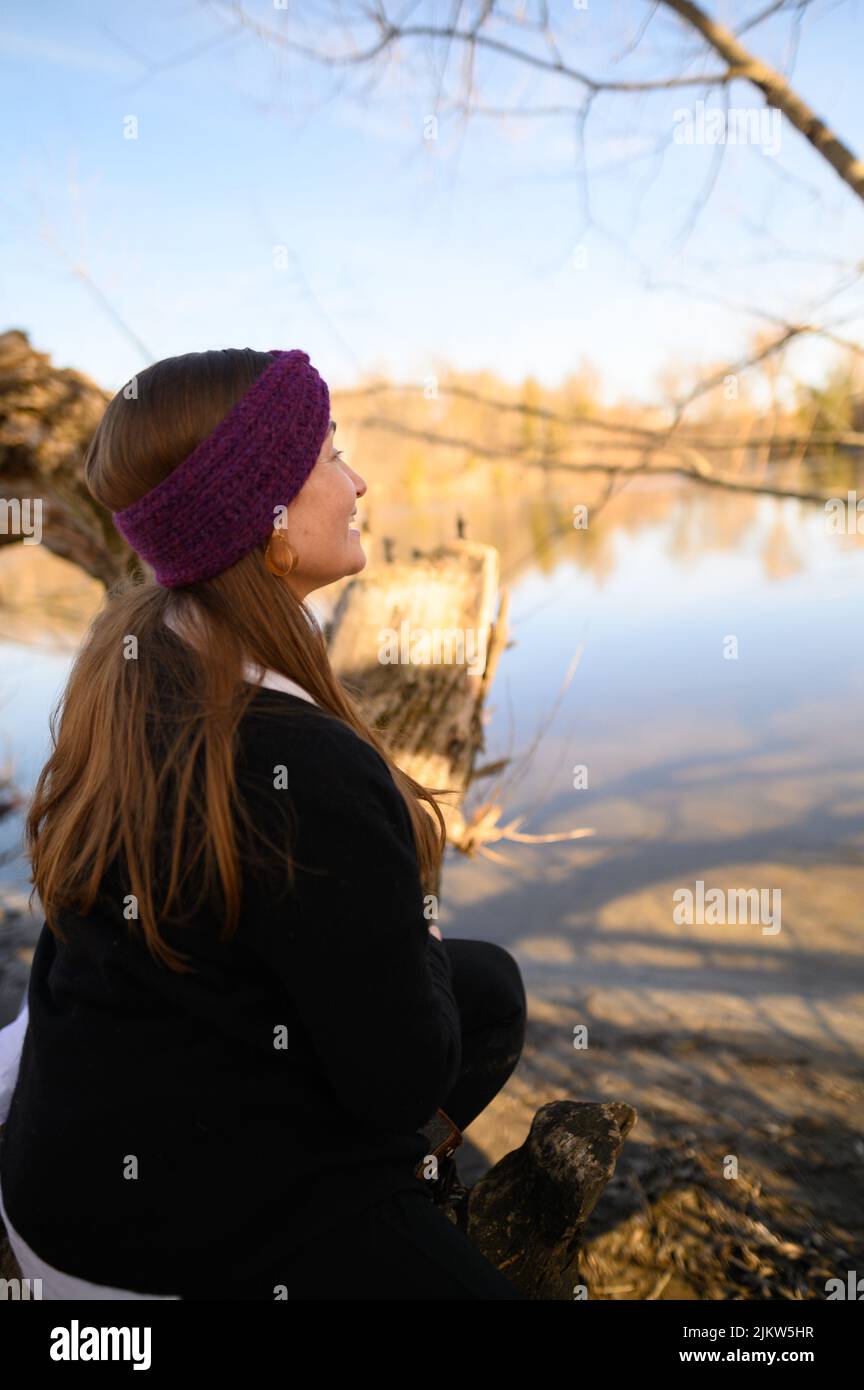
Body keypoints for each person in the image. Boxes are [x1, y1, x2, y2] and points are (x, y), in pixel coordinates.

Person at [0, 347, 527, 1300]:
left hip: (63, 1173)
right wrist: (413, 914)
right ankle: (360, 1223)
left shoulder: (134, 672)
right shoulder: (305, 768)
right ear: (270, 519)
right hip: (151, 1251)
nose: (358, 480)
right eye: (330, 454)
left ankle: (385, 1205)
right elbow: (401, 1085)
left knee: (485, 987)